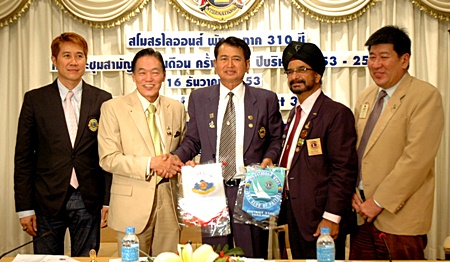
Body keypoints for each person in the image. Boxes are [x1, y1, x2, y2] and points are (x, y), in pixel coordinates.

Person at [171, 36, 284, 259]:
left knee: (251, 253)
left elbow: (277, 139)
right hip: (209, 190)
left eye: (236, 59)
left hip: (252, 190)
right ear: (215, 64)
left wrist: (269, 158)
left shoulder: (265, 99)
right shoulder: (199, 98)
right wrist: (176, 157)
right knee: (213, 254)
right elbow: (193, 140)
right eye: (223, 59)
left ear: (247, 64)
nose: (229, 65)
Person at [350, 25, 444, 260]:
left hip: (398, 219)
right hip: (361, 213)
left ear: (404, 60)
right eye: (372, 57)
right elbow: (356, 150)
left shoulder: (424, 96)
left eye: (384, 57)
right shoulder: (366, 96)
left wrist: (378, 201)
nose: (376, 64)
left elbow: (416, 160)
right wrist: (352, 191)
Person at [14, 32, 112, 256]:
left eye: (79, 55)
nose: (74, 62)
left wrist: (107, 201)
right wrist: (25, 208)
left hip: (88, 200)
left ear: (86, 60)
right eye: (66, 55)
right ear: (54, 59)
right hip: (46, 201)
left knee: (87, 259)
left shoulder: (102, 99)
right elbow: (23, 158)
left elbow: (108, 154)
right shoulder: (35, 100)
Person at [97, 48, 186, 256]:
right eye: (142, 72)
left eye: (155, 72)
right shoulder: (112, 108)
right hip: (131, 205)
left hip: (169, 201)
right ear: (133, 76)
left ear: (164, 75)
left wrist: (186, 164)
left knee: (169, 260)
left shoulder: (176, 109)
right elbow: (108, 158)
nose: (149, 78)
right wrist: (150, 164)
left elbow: (183, 151)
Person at [278, 41, 358, 259]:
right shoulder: (295, 114)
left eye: (302, 69)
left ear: (318, 75)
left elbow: (344, 170)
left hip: (322, 219)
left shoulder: (335, 113)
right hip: (296, 214)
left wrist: (332, 217)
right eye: (291, 71)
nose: (295, 76)